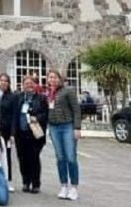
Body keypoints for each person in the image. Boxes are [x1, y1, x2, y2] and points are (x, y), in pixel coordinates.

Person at [47, 70, 82, 201]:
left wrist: (77, 127)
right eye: (50, 77)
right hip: (53, 127)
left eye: (55, 77)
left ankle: (74, 187)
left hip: (67, 126)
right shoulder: (48, 93)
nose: (52, 79)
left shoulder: (68, 91)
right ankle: (63, 186)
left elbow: (76, 109)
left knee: (71, 157)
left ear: (60, 79)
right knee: (60, 158)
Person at [14, 75, 48, 194]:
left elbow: (45, 114)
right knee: (22, 159)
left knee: (34, 158)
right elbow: (15, 115)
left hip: (34, 133)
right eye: (26, 83)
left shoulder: (41, 98)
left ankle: (36, 183)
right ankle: (25, 182)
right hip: (21, 133)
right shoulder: (18, 98)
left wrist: (36, 117)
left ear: (35, 85)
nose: (29, 85)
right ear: (22, 85)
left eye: (31, 83)